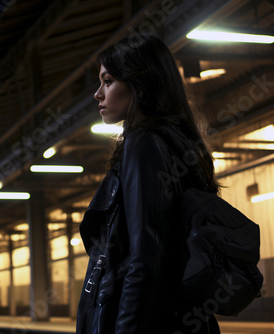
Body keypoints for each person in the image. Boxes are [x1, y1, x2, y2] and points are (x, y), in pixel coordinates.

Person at [75, 34, 221, 334]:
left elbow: (146, 257)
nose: (97, 94)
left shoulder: (144, 144)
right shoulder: (178, 144)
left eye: (108, 81)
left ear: (139, 85)